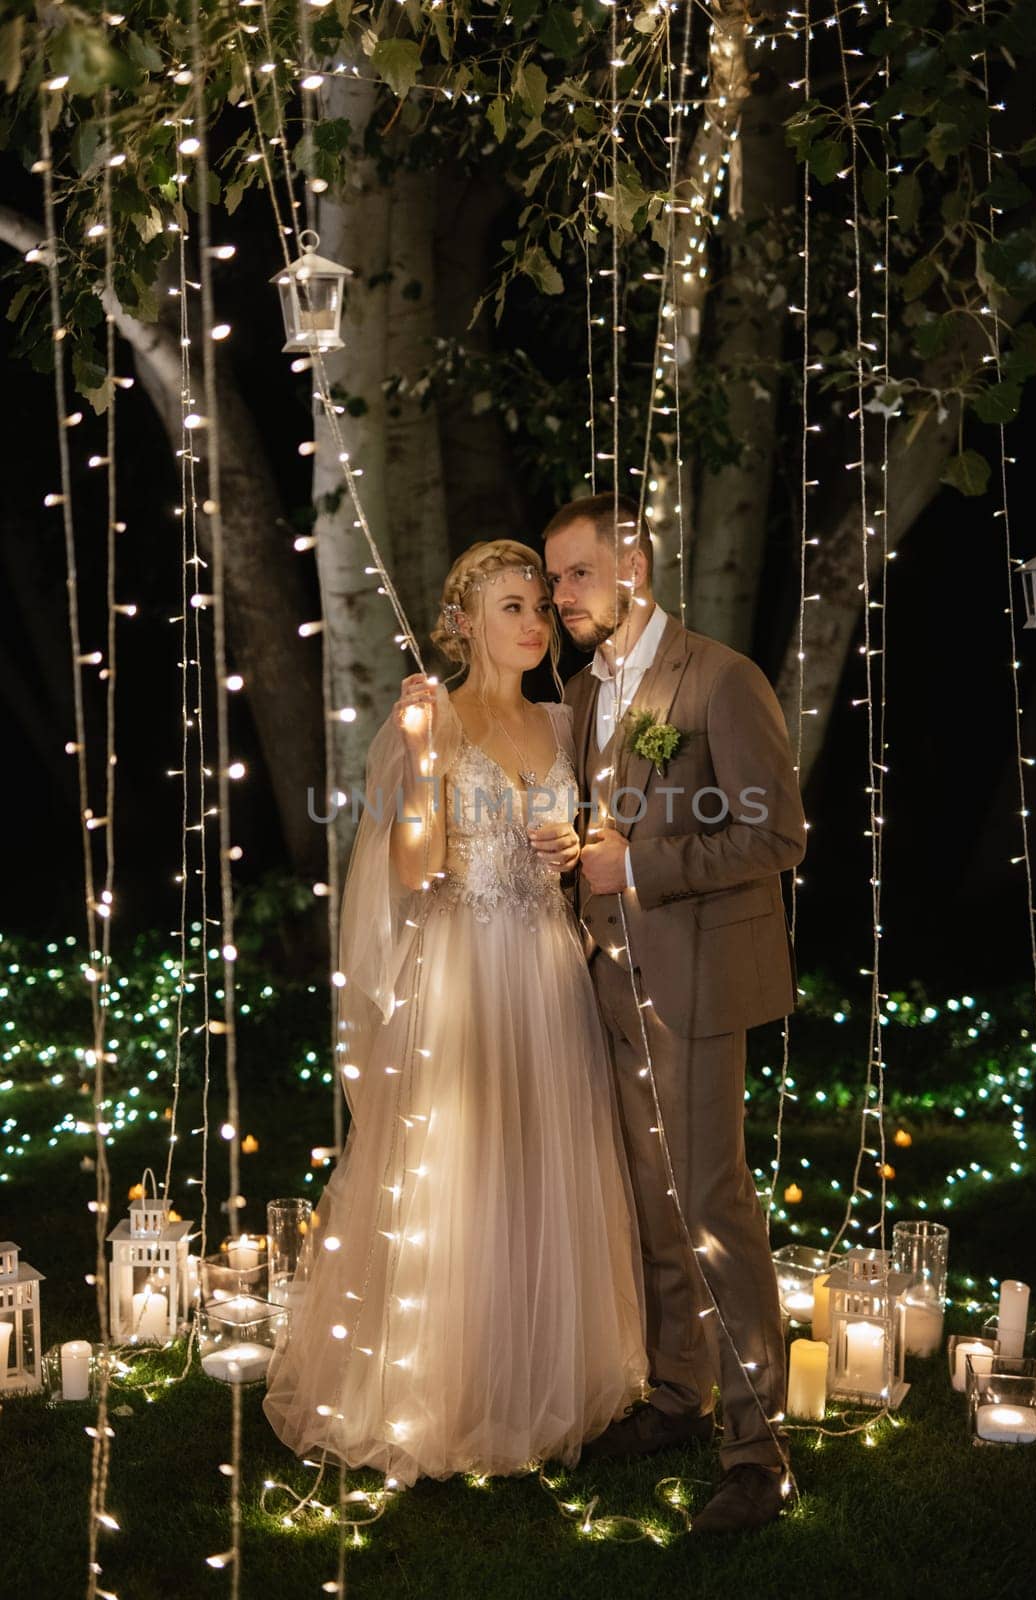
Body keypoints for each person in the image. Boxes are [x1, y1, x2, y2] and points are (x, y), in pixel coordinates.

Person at [263, 538, 647, 1485]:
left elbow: (598, 836)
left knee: (543, 1168)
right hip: (463, 972)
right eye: (511, 607)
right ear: (465, 622)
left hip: (549, 972)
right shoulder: (425, 721)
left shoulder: (566, 724)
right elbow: (412, 867)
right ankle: (444, 1388)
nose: (531, 623)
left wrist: (585, 839)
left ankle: (541, 1377)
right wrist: (429, 759)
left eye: (537, 607)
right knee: (458, 1173)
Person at [542, 492, 807, 1535]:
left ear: (634, 564)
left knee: (709, 1203)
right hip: (609, 976)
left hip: (696, 979)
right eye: (554, 577)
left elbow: (775, 834)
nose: (562, 593)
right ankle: (673, 1393)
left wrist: (637, 865)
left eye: (577, 573)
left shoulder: (721, 678)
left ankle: (756, 1449)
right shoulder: (581, 689)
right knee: (648, 1198)